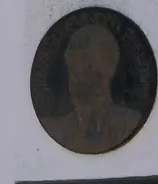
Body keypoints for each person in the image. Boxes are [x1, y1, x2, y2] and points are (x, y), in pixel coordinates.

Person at [44, 18, 146, 153]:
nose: (79, 79)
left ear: (111, 68)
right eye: (73, 73)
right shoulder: (55, 129)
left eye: (89, 69)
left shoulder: (131, 124)